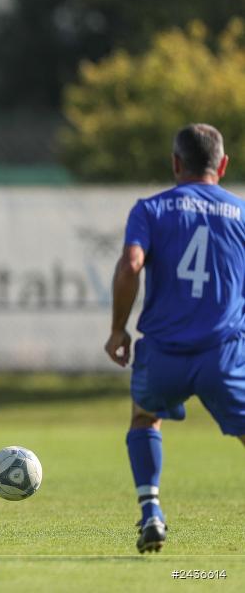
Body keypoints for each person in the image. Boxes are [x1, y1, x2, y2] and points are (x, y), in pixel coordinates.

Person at [105, 123, 245, 554]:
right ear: (222, 165)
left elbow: (131, 265)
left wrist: (117, 329)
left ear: (175, 163)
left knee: (145, 418)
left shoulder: (150, 209)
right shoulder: (241, 213)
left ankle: (151, 512)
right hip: (223, 352)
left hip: (163, 353)